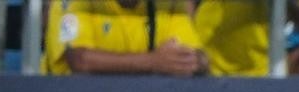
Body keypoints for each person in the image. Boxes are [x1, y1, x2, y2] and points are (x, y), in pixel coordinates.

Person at [44, 0, 209, 77]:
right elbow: (80, 60)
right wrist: (153, 62)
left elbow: (198, 55)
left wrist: (194, 61)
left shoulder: (167, 5)